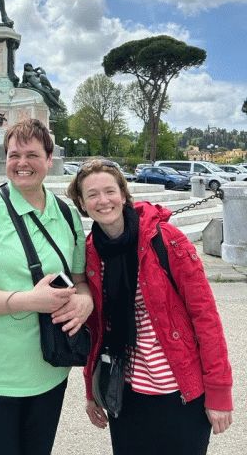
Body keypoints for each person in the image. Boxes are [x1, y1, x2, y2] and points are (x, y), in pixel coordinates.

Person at [66, 159, 233, 455]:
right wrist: (93, 390)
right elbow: (97, 329)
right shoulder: (90, 252)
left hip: (179, 390)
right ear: (81, 202)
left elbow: (205, 317)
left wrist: (219, 392)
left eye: (110, 191)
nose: (103, 200)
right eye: (92, 194)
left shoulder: (165, 240)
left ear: (123, 194)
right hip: (125, 390)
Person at [0, 118, 93, 455]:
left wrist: (85, 301)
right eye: (14, 155)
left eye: (32, 155)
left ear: (49, 158)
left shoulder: (67, 214)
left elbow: (80, 281)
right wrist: (28, 300)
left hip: (48, 370)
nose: (22, 163)